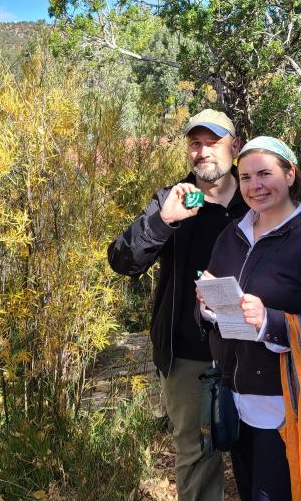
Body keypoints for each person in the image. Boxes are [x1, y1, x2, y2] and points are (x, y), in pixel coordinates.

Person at [201, 136, 301, 501]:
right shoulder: (231, 235)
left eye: (265, 174)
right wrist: (207, 304)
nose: (255, 186)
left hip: (290, 406)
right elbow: (219, 312)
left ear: (290, 175)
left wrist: (269, 321)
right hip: (238, 398)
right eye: (245, 177)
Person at [108, 109, 247, 501]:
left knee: (261, 452)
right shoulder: (174, 199)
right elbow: (123, 259)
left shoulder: (255, 198)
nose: (202, 152)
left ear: (233, 147)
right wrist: (164, 221)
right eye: (195, 144)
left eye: (212, 142)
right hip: (190, 358)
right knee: (197, 459)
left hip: (252, 349)